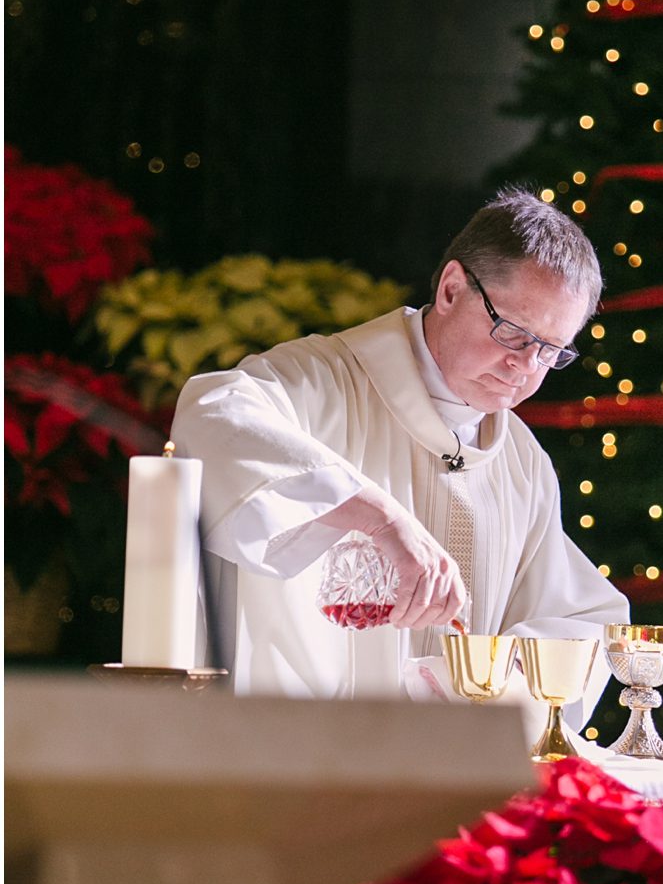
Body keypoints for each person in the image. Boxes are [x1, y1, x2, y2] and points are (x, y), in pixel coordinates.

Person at [171, 189, 628, 723]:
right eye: (513, 333)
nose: (526, 367)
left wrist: (491, 687)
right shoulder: (321, 382)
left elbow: (581, 616)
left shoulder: (523, 463)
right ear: (452, 289)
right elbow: (210, 415)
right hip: (295, 750)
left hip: (444, 764)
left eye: (550, 351)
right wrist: (381, 518)